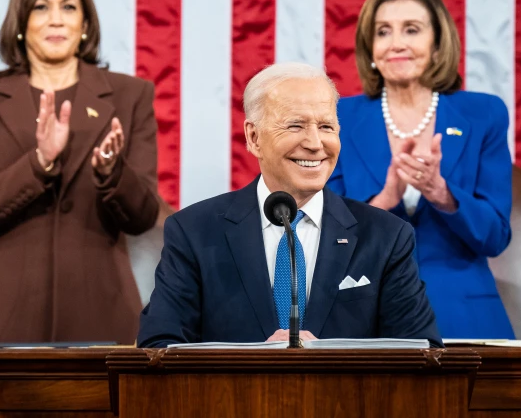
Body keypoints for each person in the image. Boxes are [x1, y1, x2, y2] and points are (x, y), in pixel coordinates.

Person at [136, 63, 442, 348]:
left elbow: (422, 353)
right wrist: (253, 361)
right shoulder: (194, 232)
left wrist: (330, 359)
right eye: (295, 126)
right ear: (254, 137)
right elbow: (159, 347)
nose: (314, 143)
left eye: (326, 127)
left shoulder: (387, 236)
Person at [0, 0, 159, 343]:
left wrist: (113, 173)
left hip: (102, 319)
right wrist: (39, 162)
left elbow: (143, 216)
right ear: (20, 22)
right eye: (41, 7)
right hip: (2, 321)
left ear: (85, 24)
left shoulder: (131, 96)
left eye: (68, 7)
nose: (56, 19)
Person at [327, 0, 514, 340]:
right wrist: (385, 199)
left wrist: (442, 193)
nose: (396, 43)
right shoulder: (339, 118)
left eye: (411, 30)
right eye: (383, 32)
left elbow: (495, 236)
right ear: (370, 49)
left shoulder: (483, 114)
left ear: (438, 45)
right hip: (366, 314)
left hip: (464, 315)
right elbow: (327, 240)